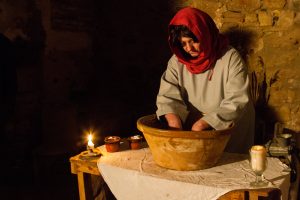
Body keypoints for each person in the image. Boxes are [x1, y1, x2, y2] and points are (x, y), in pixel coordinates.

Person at [156, 7, 255, 153]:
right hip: (195, 127)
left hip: (227, 125)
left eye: (192, 41)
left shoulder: (230, 58)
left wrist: (205, 123)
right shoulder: (176, 62)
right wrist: (174, 122)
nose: (189, 48)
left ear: (204, 35)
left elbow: (237, 99)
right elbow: (167, 95)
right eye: (183, 44)